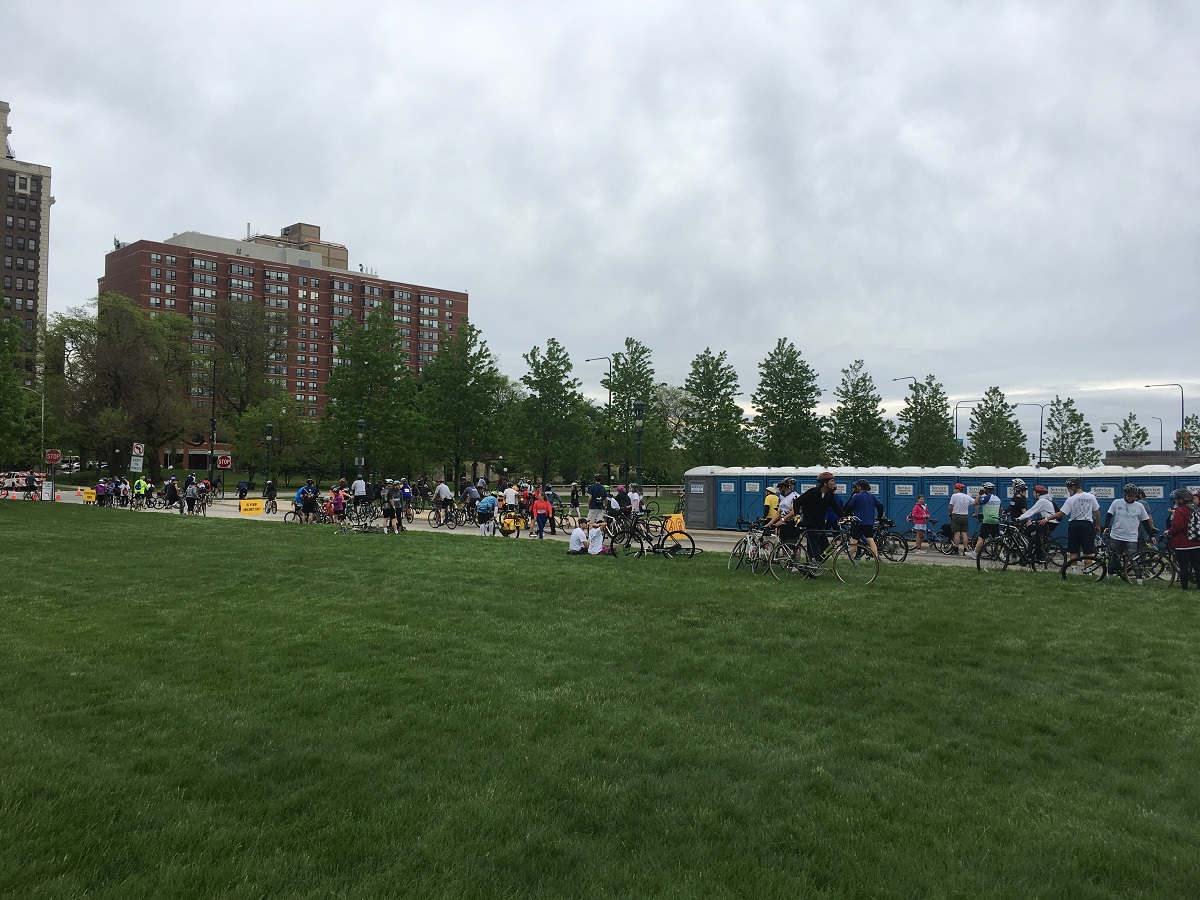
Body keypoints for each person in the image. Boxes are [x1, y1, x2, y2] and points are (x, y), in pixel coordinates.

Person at [1049, 477, 1101, 569]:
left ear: (1073, 487)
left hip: (1074, 525)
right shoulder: (1091, 497)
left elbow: (1062, 513)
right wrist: (1097, 525)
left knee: (1073, 551)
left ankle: (1074, 571)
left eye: (1068, 488)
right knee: (1088, 552)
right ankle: (1088, 571)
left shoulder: (1071, 499)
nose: (1068, 491)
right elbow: (1097, 513)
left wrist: (1048, 518)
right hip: (1087, 525)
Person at [1104, 483, 1150, 580]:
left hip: (1131, 537)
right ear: (1125, 495)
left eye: (1133, 496)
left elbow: (1145, 521)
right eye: (1129, 496)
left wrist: (1151, 534)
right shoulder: (1116, 503)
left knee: (1133, 558)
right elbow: (1109, 515)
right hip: (1116, 535)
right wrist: (1106, 527)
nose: (1130, 498)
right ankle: (1110, 578)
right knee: (1113, 557)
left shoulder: (1139, 506)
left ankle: (1139, 580)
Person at [798, 472, 842, 561]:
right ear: (825, 483)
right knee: (814, 551)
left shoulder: (829, 494)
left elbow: (837, 508)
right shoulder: (812, 492)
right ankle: (811, 566)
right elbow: (797, 502)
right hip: (810, 525)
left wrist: (845, 517)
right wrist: (797, 515)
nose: (834, 483)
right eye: (832, 481)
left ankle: (816, 564)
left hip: (821, 525)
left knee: (828, 550)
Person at [1166, 488, 1200, 590]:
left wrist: (1169, 531)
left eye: (1176, 499)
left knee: (1184, 566)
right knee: (1197, 566)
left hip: (1182, 544)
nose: (1175, 501)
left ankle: (1184, 587)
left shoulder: (1180, 511)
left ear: (1181, 500)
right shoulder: (1194, 509)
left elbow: (1178, 526)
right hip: (1196, 542)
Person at [844, 479, 883, 560]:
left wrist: (846, 516)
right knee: (871, 541)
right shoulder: (872, 496)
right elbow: (880, 506)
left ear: (860, 487)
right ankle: (876, 559)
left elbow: (849, 508)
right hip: (869, 523)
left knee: (854, 542)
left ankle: (847, 559)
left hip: (859, 523)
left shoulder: (857, 496)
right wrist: (879, 516)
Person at [970, 482, 1002, 557]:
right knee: (996, 539)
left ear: (987, 489)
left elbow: (975, 503)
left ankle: (975, 554)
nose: (983, 489)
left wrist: (979, 494)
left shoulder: (987, 498)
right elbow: (1001, 509)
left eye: (984, 488)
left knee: (982, 538)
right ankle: (1001, 555)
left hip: (987, 521)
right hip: (996, 521)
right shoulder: (997, 498)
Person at [948, 482, 974, 555]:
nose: (953, 490)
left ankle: (956, 549)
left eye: (954, 489)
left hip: (956, 515)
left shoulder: (954, 496)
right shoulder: (967, 496)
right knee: (964, 533)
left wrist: (950, 513)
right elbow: (975, 502)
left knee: (957, 533)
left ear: (957, 489)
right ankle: (965, 549)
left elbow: (950, 506)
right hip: (965, 516)